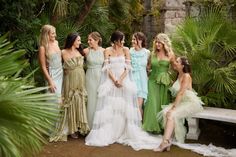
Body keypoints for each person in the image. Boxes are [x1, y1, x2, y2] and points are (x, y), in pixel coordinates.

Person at [85, 31, 161, 150]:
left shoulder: (126, 50)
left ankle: (124, 132)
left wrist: (120, 79)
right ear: (116, 40)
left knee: (124, 108)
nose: (124, 42)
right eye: (122, 39)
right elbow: (106, 67)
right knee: (110, 107)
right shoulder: (108, 51)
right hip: (111, 81)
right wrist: (114, 80)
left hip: (123, 80)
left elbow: (128, 67)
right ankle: (111, 132)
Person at [154, 56, 204, 152]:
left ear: (182, 65)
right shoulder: (179, 75)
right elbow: (177, 93)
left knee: (171, 114)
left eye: (177, 62)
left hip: (190, 103)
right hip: (182, 102)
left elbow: (181, 93)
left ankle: (165, 142)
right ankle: (169, 141)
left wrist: (174, 107)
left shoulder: (186, 76)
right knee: (165, 112)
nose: (175, 63)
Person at [50, 32, 90, 142]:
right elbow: (55, 64)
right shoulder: (62, 52)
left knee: (80, 101)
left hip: (81, 80)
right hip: (69, 80)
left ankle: (79, 127)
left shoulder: (81, 51)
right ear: (72, 41)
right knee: (70, 102)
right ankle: (71, 129)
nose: (80, 42)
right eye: (78, 40)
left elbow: (97, 50)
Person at [142, 33, 174, 133]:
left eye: (159, 42)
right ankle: (150, 127)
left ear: (165, 43)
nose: (157, 44)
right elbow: (148, 67)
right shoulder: (152, 54)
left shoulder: (170, 54)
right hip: (152, 81)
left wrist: (170, 77)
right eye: (156, 42)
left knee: (162, 103)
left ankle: (161, 127)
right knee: (152, 102)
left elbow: (174, 69)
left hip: (164, 83)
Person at [84, 32, 105, 128]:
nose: (88, 42)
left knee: (100, 99)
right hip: (89, 77)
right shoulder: (86, 51)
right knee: (91, 100)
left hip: (101, 77)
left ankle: (100, 125)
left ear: (97, 40)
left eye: (90, 40)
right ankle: (89, 125)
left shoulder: (104, 51)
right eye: (88, 40)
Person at [38, 24, 63, 101]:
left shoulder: (56, 42)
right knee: (53, 98)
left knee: (61, 99)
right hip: (52, 75)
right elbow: (43, 66)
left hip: (61, 73)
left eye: (55, 33)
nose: (55, 35)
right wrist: (50, 81)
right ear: (46, 34)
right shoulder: (43, 48)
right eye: (52, 33)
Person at [130, 32, 150, 117]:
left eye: (135, 39)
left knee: (139, 106)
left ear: (141, 40)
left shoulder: (147, 52)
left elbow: (149, 67)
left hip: (142, 82)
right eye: (132, 39)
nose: (133, 41)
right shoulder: (129, 51)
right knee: (131, 106)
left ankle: (139, 127)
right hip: (131, 80)